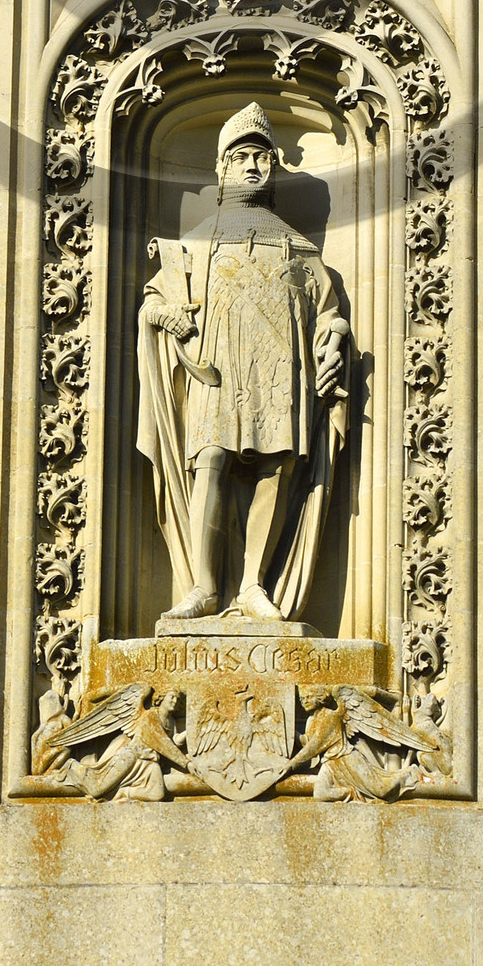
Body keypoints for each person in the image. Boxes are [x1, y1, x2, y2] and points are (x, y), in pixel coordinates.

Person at [136, 100, 349, 623]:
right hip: (216, 369)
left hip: (281, 372)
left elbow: (328, 309)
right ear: (223, 168)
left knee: (277, 468)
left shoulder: (299, 248)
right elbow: (155, 297)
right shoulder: (195, 243)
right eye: (242, 158)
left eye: (262, 158)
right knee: (209, 462)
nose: (254, 166)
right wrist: (166, 318)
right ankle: (205, 586)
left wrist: (334, 336)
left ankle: (253, 583)